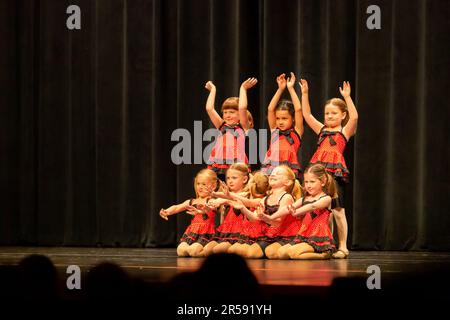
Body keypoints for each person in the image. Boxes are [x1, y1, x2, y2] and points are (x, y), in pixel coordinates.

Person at [299, 79, 358, 259]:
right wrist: (305, 94)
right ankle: (327, 245)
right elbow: (307, 115)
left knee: (338, 210)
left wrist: (347, 97)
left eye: (334, 113)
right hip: (318, 173)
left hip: (334, 174)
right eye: (327, 113)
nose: (329, 116)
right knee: (323, 212)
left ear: (342, 115)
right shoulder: (322, 129)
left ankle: (343, 246)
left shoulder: (344, 131)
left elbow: (354, 117)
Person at [261, 164, 336, 259]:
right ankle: (302, 253)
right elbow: (288, 208)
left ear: (323, 182)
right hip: (304, 234)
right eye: (306, 182)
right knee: (281, 253)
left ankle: (323, 255)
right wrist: (271, 217)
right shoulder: (304, 199)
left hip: (317, 235)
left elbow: (312, 206)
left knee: (292, 254)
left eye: (312, 182)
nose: (308, 185)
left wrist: (296, 212)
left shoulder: (326, 198)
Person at [234, 165, 302, 259]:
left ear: (288, 182)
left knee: (259, 253)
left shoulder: (286, 197)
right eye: (272, 173)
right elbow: (254, 218)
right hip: (271, 235)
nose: (273, 175)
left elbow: (278, 222)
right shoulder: (266, 199)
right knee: (240, 251)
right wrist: (242, 208)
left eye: (278, 173)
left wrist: (264, 217)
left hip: (286, 235)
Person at [205, 79, 257, 180]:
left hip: (235, 165)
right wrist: (213, 90)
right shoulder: (222, 126)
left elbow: (242, 107)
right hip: (219, 165)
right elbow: (209, 109)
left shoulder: (243, 127)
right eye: (225, 112)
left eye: (232, 112)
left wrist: (243, 89)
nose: (228, 115)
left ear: (239, 114)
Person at [159, 169, 218, 257]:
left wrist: (204, 209)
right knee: (181, 251)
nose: (200, 187)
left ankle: (212, 247)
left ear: (213, 186)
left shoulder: (212, 200)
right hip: (193, 232)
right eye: (198, 184)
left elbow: (211, 208)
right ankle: (195, 249)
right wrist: (167, 211)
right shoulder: (192, 201)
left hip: (206, 232)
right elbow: (177, 207)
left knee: (194, 251)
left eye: (204, 184)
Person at [202, 163, 251, 256]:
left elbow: (236, 198)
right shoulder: (225, 197)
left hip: (240, 233)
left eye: (234, 178)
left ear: (244, 179)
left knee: (218, 250)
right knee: (207, 250)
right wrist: (207, 208)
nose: (230, 181)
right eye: (228, 178)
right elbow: (223, 218)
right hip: (226, 232)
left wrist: (222, 199)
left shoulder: (246, 194)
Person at [260, 73, 303, 178]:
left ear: (292, 118)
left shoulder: (296, 132)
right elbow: (270, 109)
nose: (280, 122)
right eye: (278, 118)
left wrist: (291, 88)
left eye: (284, 118)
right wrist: (280, 89)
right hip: (271, 169)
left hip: (287, 171)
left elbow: (298, 109)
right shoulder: (275, 131)